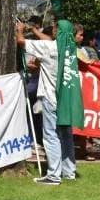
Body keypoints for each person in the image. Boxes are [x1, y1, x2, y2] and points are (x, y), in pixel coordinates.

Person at [18, 19, 81, 185]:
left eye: (54, 28)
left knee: (51, 136)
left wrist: (20, 30)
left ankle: (53, 175)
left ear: (57, 31)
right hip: (66, 99)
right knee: (66, 136)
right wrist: (36, 30)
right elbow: (51, 42)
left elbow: (21, 42)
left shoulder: (49, 47)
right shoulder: (72, 49)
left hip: (51, 97)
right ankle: (69, 171)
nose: (52, 30)